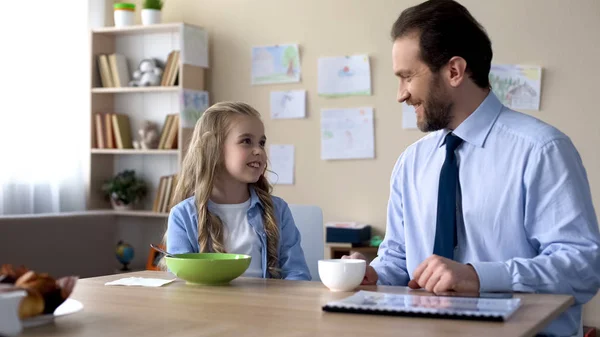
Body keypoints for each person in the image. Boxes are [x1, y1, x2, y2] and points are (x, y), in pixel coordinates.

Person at [344, 1, 600, 335]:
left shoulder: (542, 151)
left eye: (407, 77)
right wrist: (372, 273)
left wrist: (480, 277)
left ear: (454, 71)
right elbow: (398, 259)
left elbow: (583, 269)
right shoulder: (411, 163)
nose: (401, 95)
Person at [164, 101, 311, 281]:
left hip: (268, 308)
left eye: (262, 142)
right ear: (214, 149)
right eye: (246, 141)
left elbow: (297, 274)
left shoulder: (278, 210)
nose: (258, 150)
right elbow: (181, 282)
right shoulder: (183, 215)